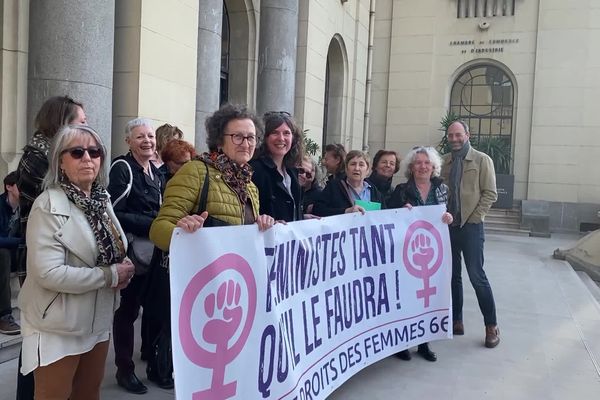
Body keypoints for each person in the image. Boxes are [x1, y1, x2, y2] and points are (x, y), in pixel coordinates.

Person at [17, 124, 134, 400]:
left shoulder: (101, 200)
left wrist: (122, 265)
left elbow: (109, 250)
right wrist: (110, 275)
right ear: (60, 160)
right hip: (58, 324)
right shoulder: (48, 205)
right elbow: (48, 273)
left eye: (95, 152)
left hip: (98, 319)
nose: (88, 158)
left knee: (88, 393)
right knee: (53, 395)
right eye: (77, 152)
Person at [16, 95, 86, 400]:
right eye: (80, 123)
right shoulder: (37, 158)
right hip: (43, 256)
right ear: (61, 123)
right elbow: (57, 204)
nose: (86, 128)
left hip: (61, 254)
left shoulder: (53, 155)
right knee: (38, 341)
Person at [150, 103, 276, 251]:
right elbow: (158, 229)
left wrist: (263, 225)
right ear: (219, 141)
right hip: (201, 271)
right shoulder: (195, 171)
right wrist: (182, 232)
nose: (246, 144)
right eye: (238, 137)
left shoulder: (250, 186)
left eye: (251, 138)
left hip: (234, 272)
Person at [109, 118, 166, 393]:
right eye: (140, 136)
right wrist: (151, 223)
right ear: (128, 141)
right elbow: (114, 213)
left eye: (151, 136)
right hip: (133, 253)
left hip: (154, 251)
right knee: (128, 311)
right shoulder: (122, 168)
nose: (147, 141)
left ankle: (154, 363)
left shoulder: (156, 172)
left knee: (154, 308)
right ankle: (124, 369)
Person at [387, 146, 453, 362]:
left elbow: (451, 213)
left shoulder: (442, 189)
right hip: (407, 253)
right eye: (418, 163)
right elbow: (389, 216)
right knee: (406, 296)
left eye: (427, 163)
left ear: (433, 166)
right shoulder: (401, 190)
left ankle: (423, 342)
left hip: (432, 253)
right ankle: (402, 343)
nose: (423, 166)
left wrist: (449, 218)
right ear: (411, 167)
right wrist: (400, 211)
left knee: (427, 300)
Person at [441, 120, 499, 348]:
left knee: (477, 276)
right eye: (450, 136)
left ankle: (491, 325)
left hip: (472, 227)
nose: (454, 139)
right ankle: (457, 319)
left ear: (467, 135)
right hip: (449, 227)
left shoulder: (482, 160)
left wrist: (473, 218)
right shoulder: (444, 162)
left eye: (458, 135)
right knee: (453, 275)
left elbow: (490, 194)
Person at [250, 111, 304, 222]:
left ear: (293, 138)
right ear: (264, 138)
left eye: (286, 133)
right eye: (275, 133)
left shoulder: (292, 171)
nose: (281, 138)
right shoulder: (254, 170)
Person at [313, 150, 384, 216]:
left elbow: (384, 214)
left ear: (367, 170)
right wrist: (346, 211)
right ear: (346, 169)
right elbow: (318, 210)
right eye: (353, 164)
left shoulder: (374, 191)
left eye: (361, 165)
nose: (357, 168)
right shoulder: (334, 187)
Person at [0, 171, 22, 335]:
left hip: (16, 253)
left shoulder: (27, 207)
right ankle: (5, 316)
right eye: (20, 186)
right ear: (9, 187)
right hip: (4, 255)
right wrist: (20, 242)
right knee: (3, 254)